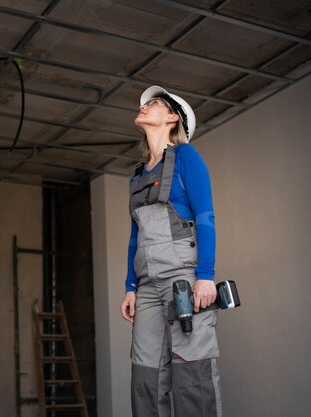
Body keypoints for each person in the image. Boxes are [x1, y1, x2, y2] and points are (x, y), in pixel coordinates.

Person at [120, 86, 222, 417]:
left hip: (183, 280)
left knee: (193, 375)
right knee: (145, 377)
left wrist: (205, 276)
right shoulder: (137, 176)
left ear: (171, 117)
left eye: (153, 103)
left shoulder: (186, 157)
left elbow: (205, 216)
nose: (143, 106)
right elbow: (135, 236)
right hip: (147, 288)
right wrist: (130, 287)